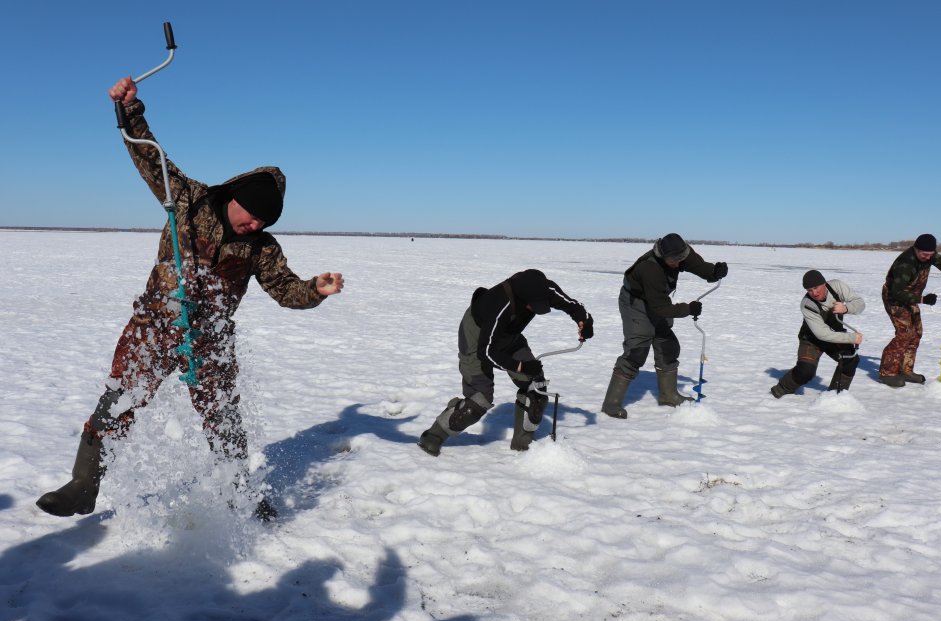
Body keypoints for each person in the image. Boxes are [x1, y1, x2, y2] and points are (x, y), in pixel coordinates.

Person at [36, 76, 344, 521]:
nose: (255, 226)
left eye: (264, 222)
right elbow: (146, 151)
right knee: (118, 400)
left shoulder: (263, 248)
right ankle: (84, 486)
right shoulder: (187, 200)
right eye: (253, 216)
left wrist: (315, 290)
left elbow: (285, 290)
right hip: (154, 327)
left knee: (224, 423)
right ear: (235, 198)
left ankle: (241, 495)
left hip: (210, 339)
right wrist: (129, 108)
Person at [417, 269, 594, 456]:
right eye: (532, 307)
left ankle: (523, 444)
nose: (535, 311)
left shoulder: (545, 289)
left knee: (536, 387)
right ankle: (434, 436)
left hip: (509, 334)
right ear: (523, 299)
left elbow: (573, 305)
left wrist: (584, 320)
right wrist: (521, 366)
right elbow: (486, 352)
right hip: (477, 336)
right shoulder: (500, 305)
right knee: (478, 400)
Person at [601, 233, 727, 418]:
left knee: (668, 346)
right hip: (636, 304)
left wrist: (714, 272)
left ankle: (669, 395)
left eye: (680, 259)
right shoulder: (650, 269)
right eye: (673, 261)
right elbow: (660, 308)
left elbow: (698, 265)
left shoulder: (681, 253)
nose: (677, 264)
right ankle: (611, 403)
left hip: (657, 302)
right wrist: (688, 308)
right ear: (662, 256)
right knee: (637, 351)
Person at [878, 234, 941, 387]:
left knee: (916, 333)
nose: (928, 258)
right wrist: (923, 300)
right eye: (924, 254)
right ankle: (887, 373)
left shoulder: (930, 255)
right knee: (904, 333)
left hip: (912, 297)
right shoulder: (905, 263)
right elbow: (897, 292)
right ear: (916, 248)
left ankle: (905, 369)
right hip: (894, 298)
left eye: (930, 254)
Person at [770, 270, 865, 398]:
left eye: (816, 287)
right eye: (809, 290)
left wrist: (846, 308)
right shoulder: (807, 304)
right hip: (811, 339)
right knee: (806, 371)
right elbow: (822, 334)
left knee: (850, 359)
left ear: (824, 283)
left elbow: (860, 303)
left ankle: (836, 396)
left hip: (834, 335)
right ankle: (783, 387)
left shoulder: (836, 286)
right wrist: (851, 338)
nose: (814, 293)